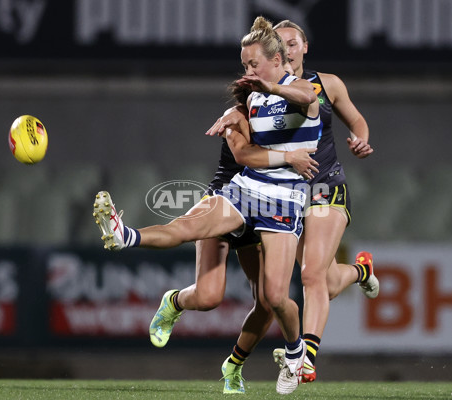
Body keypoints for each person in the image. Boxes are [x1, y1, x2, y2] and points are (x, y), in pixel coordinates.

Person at [93, 16, 321, 395]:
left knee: (275, 297)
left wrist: (267, 87)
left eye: (254, 64)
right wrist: (245, 112)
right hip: (246, 188)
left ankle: (296, 353)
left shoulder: (298, 89)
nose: (247, 71)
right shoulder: (251, 99)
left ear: (277, 60)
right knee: (188, 227)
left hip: (284, 201)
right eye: (245, 65)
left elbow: (308, 98)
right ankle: (124, 235)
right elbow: (246, 155)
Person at [207, 19, 378, 389]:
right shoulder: (260, 91)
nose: (288, 48)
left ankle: (306, 359)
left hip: (323, 187)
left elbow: (357, 120)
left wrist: (361, 139)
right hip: (284, 192)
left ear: (303, 47)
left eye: (293, 42)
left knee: (311, 276)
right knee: (328, 281)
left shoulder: (325, 84)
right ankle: (361, 272)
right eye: (281, 43)